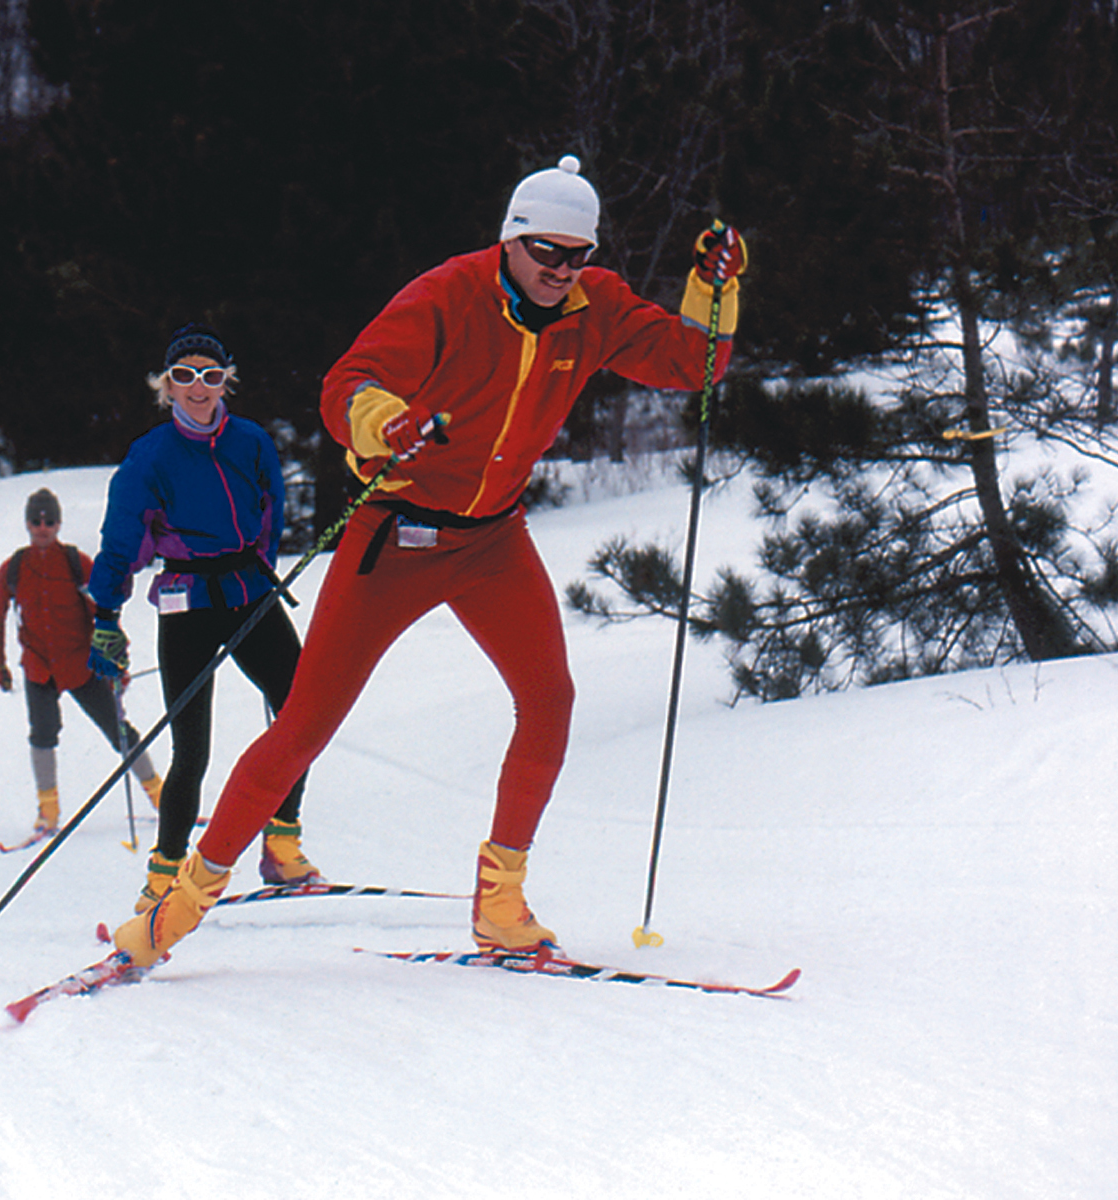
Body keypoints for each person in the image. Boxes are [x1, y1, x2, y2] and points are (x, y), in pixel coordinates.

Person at [107, 155, 748, 969]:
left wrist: (712, 293)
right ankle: (183, 901)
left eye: (575, 255)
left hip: (491, 540)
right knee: (304, 724)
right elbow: (348, 385)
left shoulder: (595, 306)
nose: (560, 271)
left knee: (548, 701)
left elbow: (692, 367)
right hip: (396, 536)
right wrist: (385, 422)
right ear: (510, 240)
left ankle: (501, 902)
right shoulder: (450, 293)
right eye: (545, 252)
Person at [86, 324, 323, 914]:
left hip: (248, 590)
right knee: (192, 747)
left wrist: (263, 573)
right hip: (188, 599)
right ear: (166, 386)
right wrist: (106, 615)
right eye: (185, 377)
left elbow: (271, 512)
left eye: (211, 376)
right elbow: (121, 540)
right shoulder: (151, 456)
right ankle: (164, 873)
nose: (198, 388)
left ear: (227, 383)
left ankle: (283, 842)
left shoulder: (250, 442)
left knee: (302, 715)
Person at [0, 487, 163, 841]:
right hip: (39, 667)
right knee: (43, 734)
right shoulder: (14, 568)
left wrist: (116, 662)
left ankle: (161, 797)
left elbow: (105, 611)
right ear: (27, 524)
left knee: (118, 730)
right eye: (36, 521)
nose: (42, 528)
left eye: (49, 521)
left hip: (82, 665)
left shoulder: (75, 562)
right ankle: (47, 810)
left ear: (59, 523)